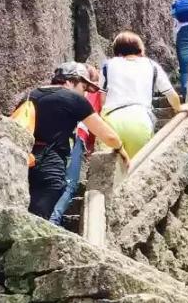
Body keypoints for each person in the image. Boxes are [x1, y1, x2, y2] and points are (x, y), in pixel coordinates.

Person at [17, 63, 126, 220]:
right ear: (71, 81)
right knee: (39, 214)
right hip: (50, 164)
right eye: (83, 87)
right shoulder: (73, 98)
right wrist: (121, 148)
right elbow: (108, 136)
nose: (85, 93)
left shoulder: (31, 95)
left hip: (25, 161)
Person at [101, 31, 180, 159]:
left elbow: (102, 97)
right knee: (136, 169)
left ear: (117, 51)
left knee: (110, 172)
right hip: (140, 118)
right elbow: (171, 94)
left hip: (112, 120)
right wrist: (179, 109)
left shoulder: (108, 65)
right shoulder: (151, 65)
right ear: (140, 49)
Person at [48, 63, 103, 227]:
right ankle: (54, 219)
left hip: (55, 139)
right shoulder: (91, 95)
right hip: (77, 137)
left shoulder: (55, 94)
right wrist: (91, 146)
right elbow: (94, 122)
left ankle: (50, 216)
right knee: (70, 184)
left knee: (57, 181)